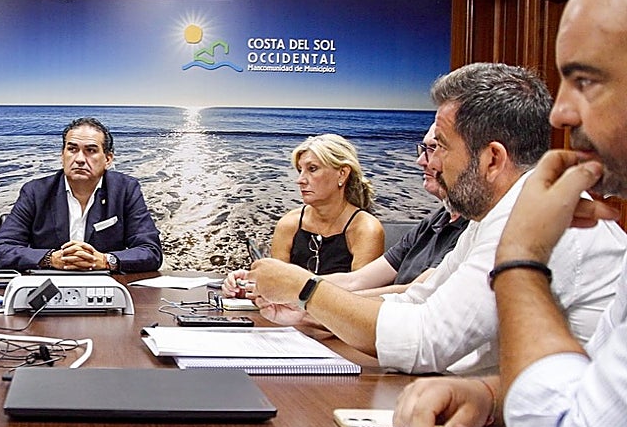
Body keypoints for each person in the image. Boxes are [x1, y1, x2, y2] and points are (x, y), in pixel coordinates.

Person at [393, 0, 627, 427]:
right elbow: (599, 393)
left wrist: (521, 261)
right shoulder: (482, 218)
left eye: (586, 80)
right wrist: (491, 399)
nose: (563, 112)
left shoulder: (536, 220)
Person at [248, 62, 627, 375]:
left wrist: (307, 291)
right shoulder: (494, 216)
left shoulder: (537, 218)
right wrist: (313, 313)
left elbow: (424, 342)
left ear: (492, 159)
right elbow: (418, 299)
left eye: (440, 146)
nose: (429, 161)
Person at [226, 125, 467, 300]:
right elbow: (357, 281)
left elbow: (413, 292)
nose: (421, 161)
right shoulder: (432, 223)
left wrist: (300, 297)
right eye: (424, 150)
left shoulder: (474, 229)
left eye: (435, 149)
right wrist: (262, 282)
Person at [0, 117, 163, 272]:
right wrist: (50, 259)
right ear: (62, 155)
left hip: (104, 287)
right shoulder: (35, 192)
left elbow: (151, 251)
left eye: (90, 150)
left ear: (108, 159)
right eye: (72, 149)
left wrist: (105, 261)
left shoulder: (125, 190)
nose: (79, 159)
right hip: (45, 288)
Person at [273, 134, 384, 275]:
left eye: (312, 169)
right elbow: (274, 285)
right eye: (300, 170)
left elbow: (360, 293)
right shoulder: (289, 224)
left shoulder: (365, 230)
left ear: (342, 174)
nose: (300, 180)